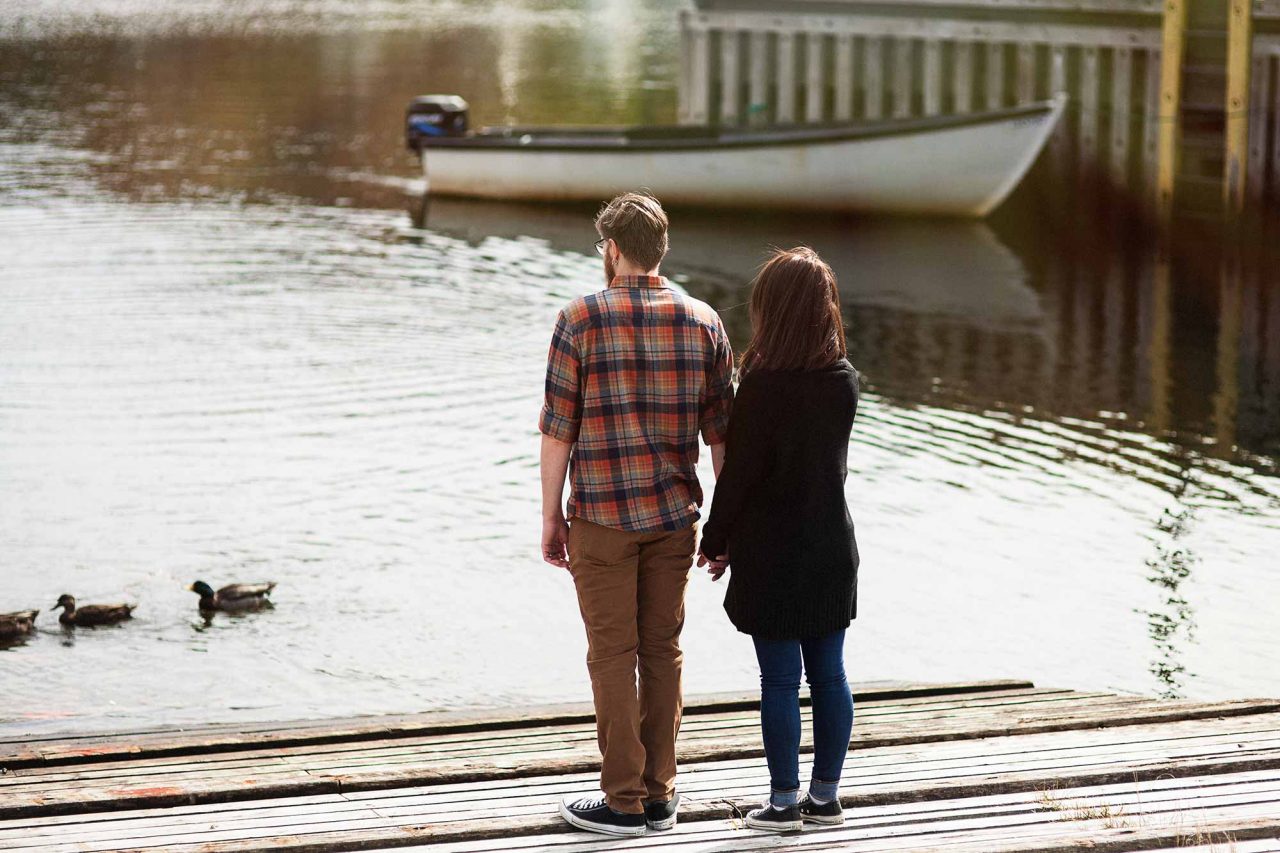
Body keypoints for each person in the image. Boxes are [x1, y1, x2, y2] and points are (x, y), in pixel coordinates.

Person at [539, 192, 735, 837]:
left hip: (600, 515)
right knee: (662, 650)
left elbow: (558, 430)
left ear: (612, 249)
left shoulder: (579, 319)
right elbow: (720, 438)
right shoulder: (703, 320)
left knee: (610, 654)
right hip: (675, 517)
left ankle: (622, 801)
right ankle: (661, 793)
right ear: (662, 250)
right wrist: (727, 522)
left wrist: (550, 517)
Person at [698, 246, 860, 832]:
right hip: (831, 548)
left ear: (773, 312)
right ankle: (826, 798)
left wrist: (716, 540)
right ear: (823, 310)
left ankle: (784, 803)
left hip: (774, 552)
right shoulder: (844, 383)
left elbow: (740, 479)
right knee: (831, 676)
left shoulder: (762, 388)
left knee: (780, 680)